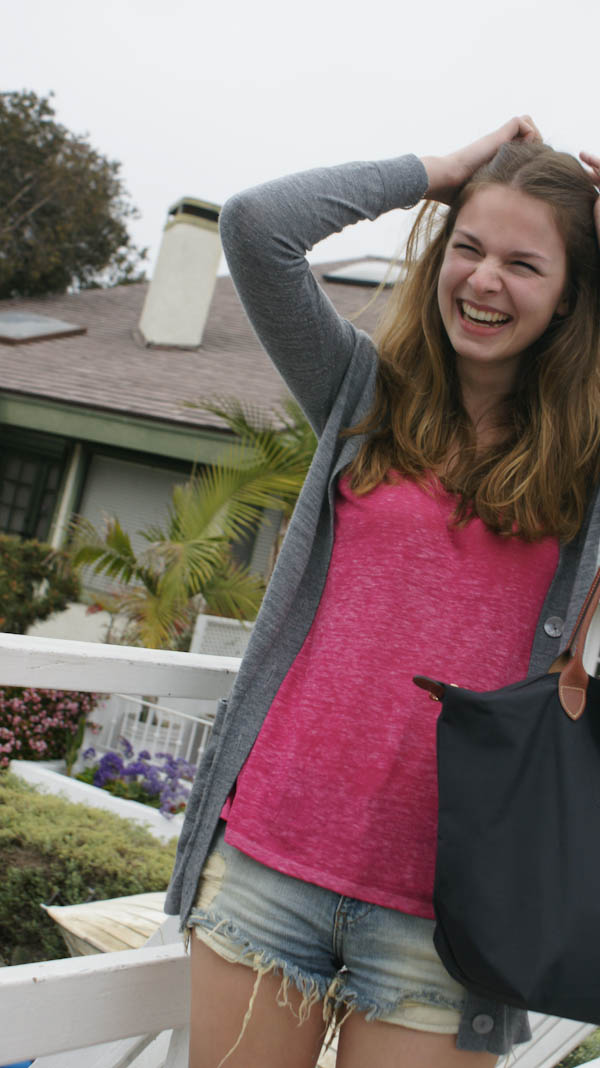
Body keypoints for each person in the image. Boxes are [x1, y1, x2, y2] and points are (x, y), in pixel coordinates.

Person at [165, 118, 600, 1068]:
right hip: (270, 867)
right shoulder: (361, 393)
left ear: (571, 300)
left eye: (525, 264)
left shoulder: (587, 462)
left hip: (451, 924)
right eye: (469, 248)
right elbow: (256, 228)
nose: (484, 280)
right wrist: (435, 172)